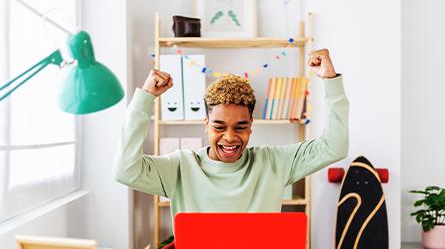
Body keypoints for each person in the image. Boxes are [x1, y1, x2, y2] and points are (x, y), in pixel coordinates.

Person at [113, 49, 349, 216]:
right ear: (205, 124)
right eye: (218, 127)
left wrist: (330, 81)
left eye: (240, 127)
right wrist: (144, 99)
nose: (229, 137)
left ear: (251, 125)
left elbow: (334, 147)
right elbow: (126, 171)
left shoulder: (274, 162)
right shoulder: (180, 167)